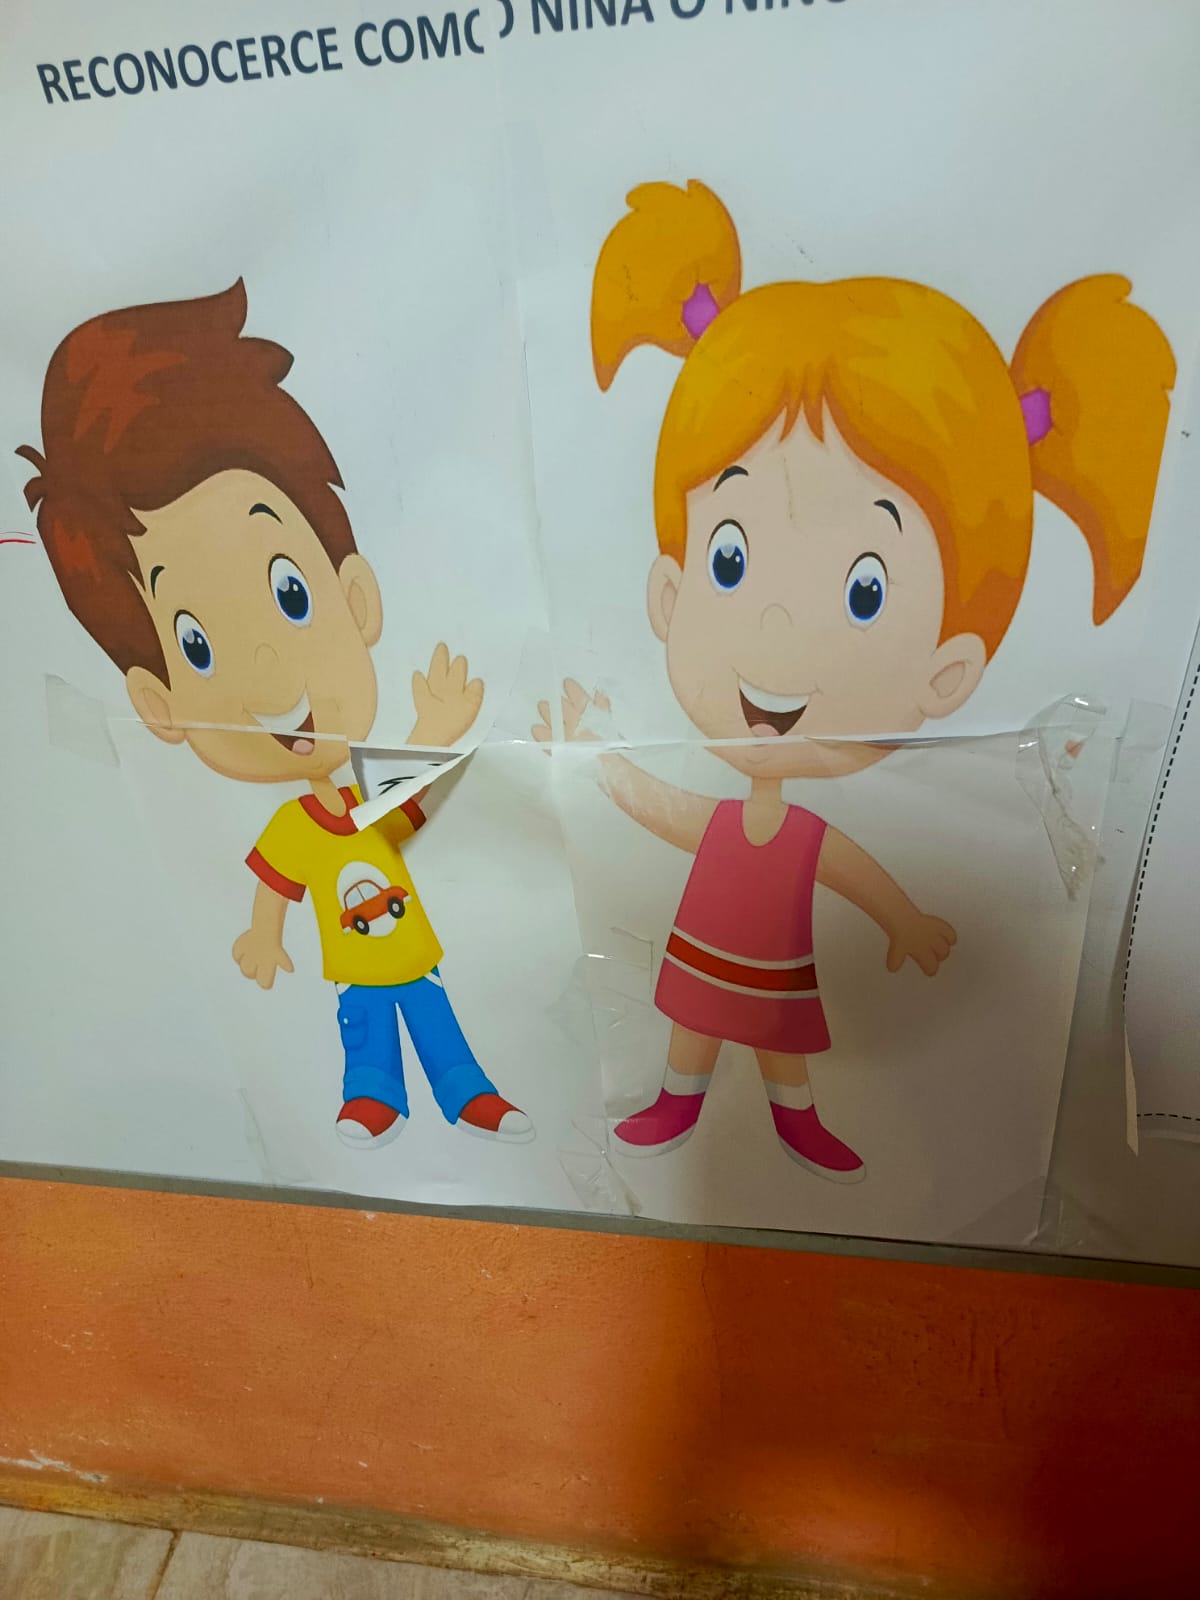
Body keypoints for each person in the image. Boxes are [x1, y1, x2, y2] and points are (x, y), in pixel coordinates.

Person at [536, 179, 1174, 1181]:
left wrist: (904, 919)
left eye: (864, 589)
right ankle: (677, 1101)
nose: (777, 629)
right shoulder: (745, 818)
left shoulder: (798, 834)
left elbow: (850, 871)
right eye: (731, 559)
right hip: (708, 955)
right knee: (697, 1027)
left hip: (781, 968)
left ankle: (794, 1120)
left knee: (778, 1041)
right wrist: (598, 764)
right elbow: (667, 811)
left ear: (950, 668)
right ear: (669, 589)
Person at [20, 281, 532, 1151]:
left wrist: (435, 733)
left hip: (415, 952)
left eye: (291, 592)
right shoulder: (296, 826)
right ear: (159, 705)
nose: (265, 678)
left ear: (355, 595)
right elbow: (277, 884)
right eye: (197, 644)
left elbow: (408, 803)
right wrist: (264, 939)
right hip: (353, 966)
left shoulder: (363, 796)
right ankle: (372, 1100)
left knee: (434, 1019)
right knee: (364, 1030)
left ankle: (470, 1095)